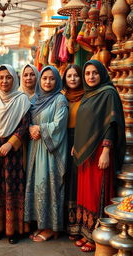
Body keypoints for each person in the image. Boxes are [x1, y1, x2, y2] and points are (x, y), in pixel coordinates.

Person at [73, 60, 126, 252]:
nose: (91, 77)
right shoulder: (87, 94)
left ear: (102, 74)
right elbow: (85, 125)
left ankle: (97, 236)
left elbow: (111, 124)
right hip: (85, 154)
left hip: (100, 154)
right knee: (86, 194)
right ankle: (86, 232)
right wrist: (77, 146)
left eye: (95, 73)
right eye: (87, 73)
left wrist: (106, 150)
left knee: (97, 194)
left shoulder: (108, 94)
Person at [0, 64, 31, 244]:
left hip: (13, 155)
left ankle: (14, 230)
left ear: (14, 79)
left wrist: (11, 144)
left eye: (8, 77)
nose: (4, 81)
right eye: (1, 77)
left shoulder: (22, 99)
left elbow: (25, 124)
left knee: (13, 189)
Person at [24, 65, 68, 242]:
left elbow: (59, 125)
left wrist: (40, 129)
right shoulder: (34, 99)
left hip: (51, 151)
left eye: (51, 78)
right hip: (35, 150)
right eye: (44, 78)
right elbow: (26, 121)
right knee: (37, 186)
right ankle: (41, 224)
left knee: (49, 186)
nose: (48, 81)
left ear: (57, 80)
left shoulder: (60, 100)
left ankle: (52, 228)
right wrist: (29, 128)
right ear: (39, 80)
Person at [62, 64, 84, 241]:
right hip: (63, 140)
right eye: (69, 76)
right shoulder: (61, 97)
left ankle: (76, 226)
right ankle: (63, 224)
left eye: (76, 75)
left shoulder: (87, 97)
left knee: (76, 182)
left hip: (79, 140)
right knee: (64, 179)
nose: (73, 79)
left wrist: (79, 142)